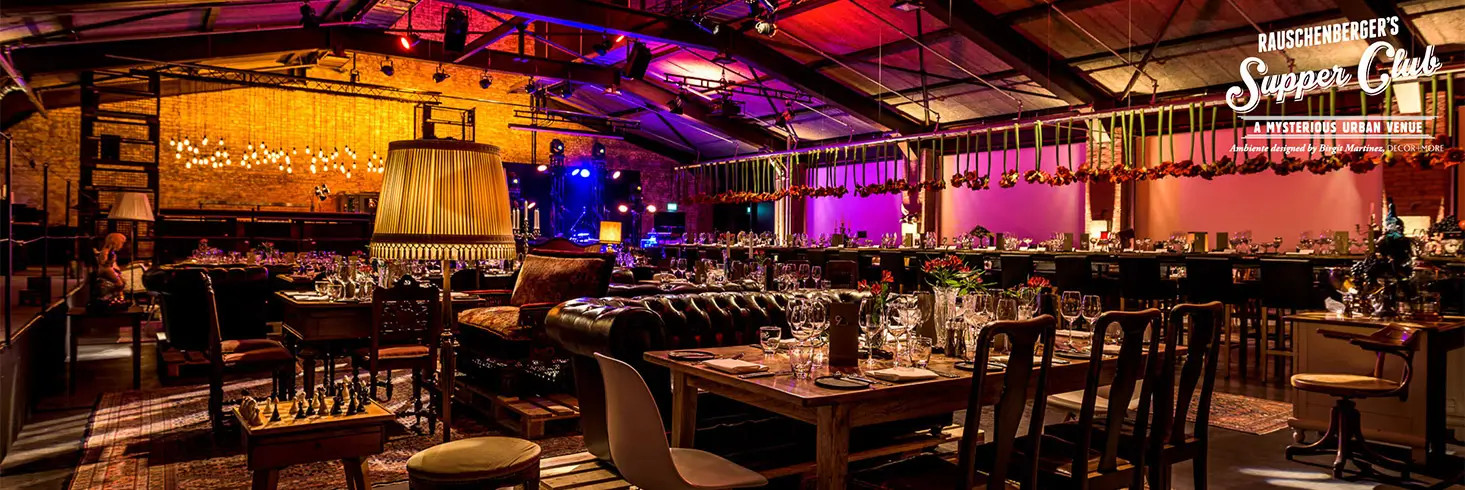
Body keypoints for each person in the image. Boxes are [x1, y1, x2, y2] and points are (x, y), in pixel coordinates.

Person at [94, 232, 128, 304]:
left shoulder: (112, 252)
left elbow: (114, 263)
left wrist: (117, 271)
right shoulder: (105, 251)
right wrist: (107, 260)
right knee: (119, 284)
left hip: (110, 268)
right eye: (121, 243)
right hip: (105, 269)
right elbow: (102, 262)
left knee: (123, 282)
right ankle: (110, 295)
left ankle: (116, 296)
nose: (122, 246)